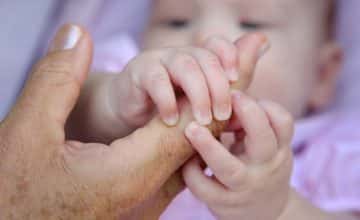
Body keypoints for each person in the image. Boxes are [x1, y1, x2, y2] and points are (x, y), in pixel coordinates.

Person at [67, 0, 360, 219]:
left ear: (322, 74)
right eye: (176, 21)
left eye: (252, 24)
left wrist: (280, 207)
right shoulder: (126, 73)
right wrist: (111, 107)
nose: (206, 39)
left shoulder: (330, 154)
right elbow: (55, 120)